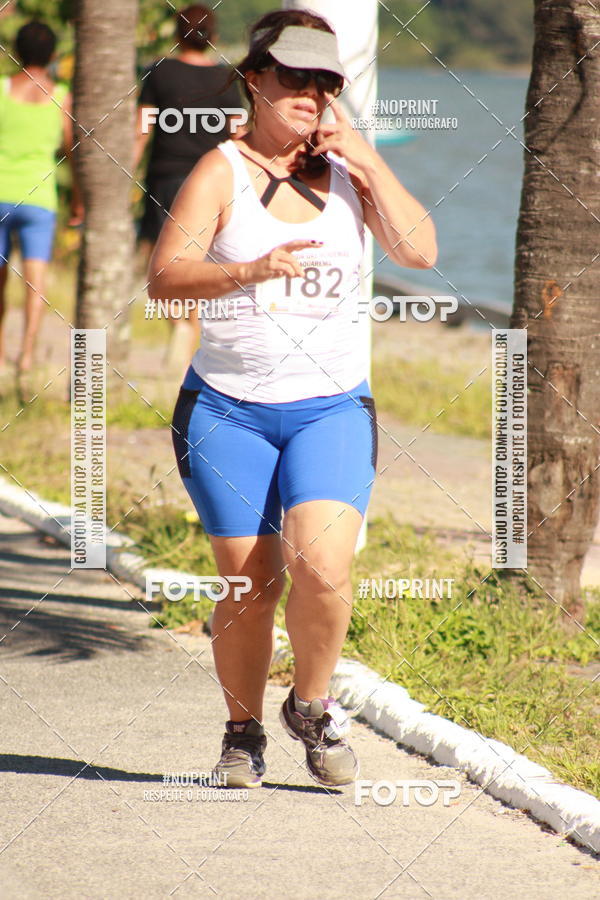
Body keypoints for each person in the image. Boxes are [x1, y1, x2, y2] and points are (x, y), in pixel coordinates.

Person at [148, 8, 437, 788]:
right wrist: (247, 270)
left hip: (331, 406)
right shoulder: (221, 170)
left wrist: (370, 161)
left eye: (325, 82)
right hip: (226, 409)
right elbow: (165, 277)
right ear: (254, 80)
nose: (311, 94)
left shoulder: (350, 172)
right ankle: (242, 733)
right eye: (294, 79)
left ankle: (311, 705)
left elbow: (420, 249)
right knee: (250, 584)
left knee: (323, 566)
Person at [135, 3, 243, 376]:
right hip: (212, 184)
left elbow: (142, 128)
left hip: (165, 178)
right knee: (202, 264)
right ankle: (191, 332)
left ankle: (182, 327)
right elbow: (237, 135)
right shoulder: (226, 78)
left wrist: (126, 171)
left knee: (163, 265)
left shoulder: (159, 73)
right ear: (211, 37)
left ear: (176, 34)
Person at [0, 20, 80, 398]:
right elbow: (71, 150)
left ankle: (0, 352)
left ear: (16, 50)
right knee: (36, 281)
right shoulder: (60, 95)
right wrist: (79, 200)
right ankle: (28, 354)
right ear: (51, 54)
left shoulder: (1, 90)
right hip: (39, 198)